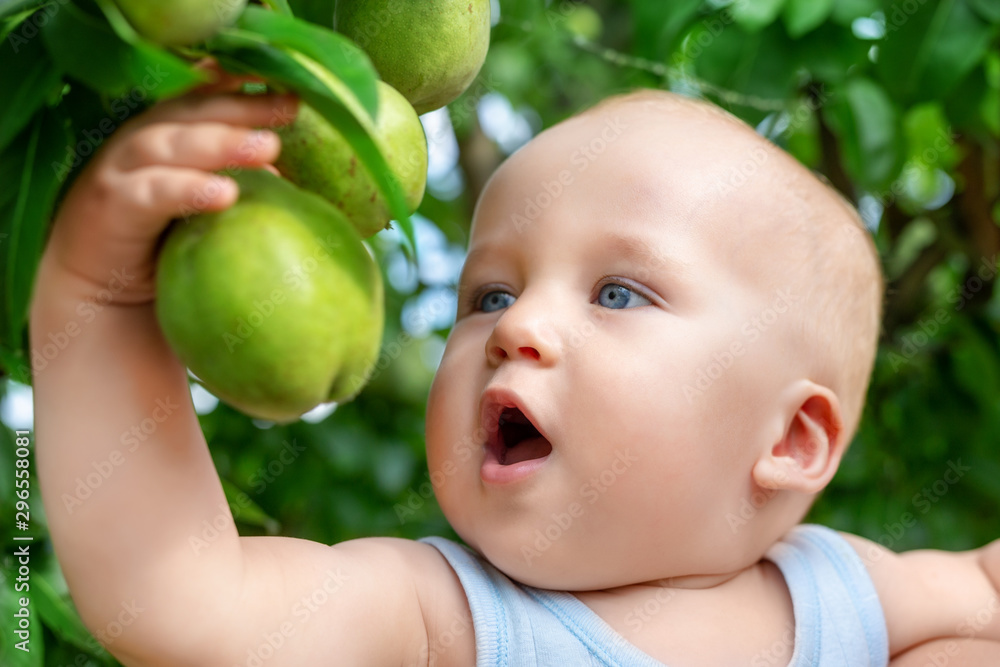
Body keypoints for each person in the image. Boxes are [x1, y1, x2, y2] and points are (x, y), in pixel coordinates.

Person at [30, 63, 1000, 666]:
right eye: (487, 293)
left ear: (790, 438)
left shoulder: (851, 598)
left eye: (616, 293)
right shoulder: (441, 617)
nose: (514, 328)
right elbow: (184, 606)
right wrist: (98, 301)